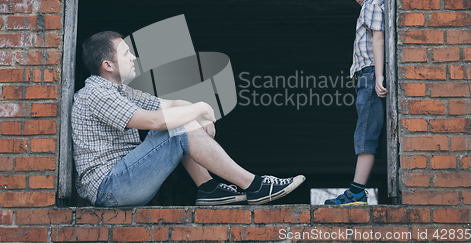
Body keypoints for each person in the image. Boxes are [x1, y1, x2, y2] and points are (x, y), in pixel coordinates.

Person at [71, 31, 305, 207]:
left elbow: (170, 105)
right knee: (175, 125)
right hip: (110, 188)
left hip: (124, 181)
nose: (133, 57)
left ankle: (209, 189)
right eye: (125, 53)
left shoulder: (123, 91)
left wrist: (198, 112)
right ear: (108, 65)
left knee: (179, 120)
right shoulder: (96, 93)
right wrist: (200, 108)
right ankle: (255, 186)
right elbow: (156, 122)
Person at [325, 0, 387, 205]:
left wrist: (379, 76)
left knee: (365, 134)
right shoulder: (373, 2)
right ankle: (357, 189)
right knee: (366, 131)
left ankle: (357, 191)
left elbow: (378, 39)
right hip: (368, 74)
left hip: (371, 73)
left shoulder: (372, 3)